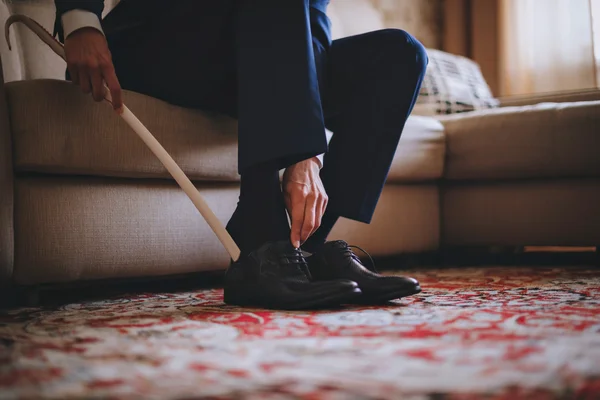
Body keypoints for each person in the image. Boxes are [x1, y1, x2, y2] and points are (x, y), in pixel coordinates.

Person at [53, 0, 428, 310]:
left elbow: (309, 19)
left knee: (400, 55)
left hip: (256, 47)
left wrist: (308, 156)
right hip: (154, 44)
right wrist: (81, 22)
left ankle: (301, 255)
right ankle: (260, 237)